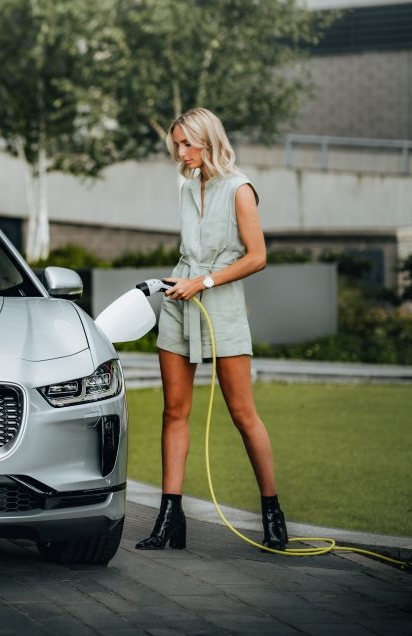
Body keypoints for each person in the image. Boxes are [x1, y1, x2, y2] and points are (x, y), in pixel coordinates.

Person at [135, 108, 289, 552]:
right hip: (179, 304)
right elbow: (192, 252)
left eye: (188, 144)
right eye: (177, 145)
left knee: (243, 414)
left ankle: (273, 514)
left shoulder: (240, 189)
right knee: (173, 411)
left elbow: (257, 257)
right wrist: (179, 282)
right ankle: (169, 519)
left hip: (219, 306)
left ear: (209, 140)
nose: (181, 153)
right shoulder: (187, 187)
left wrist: (202, 282)